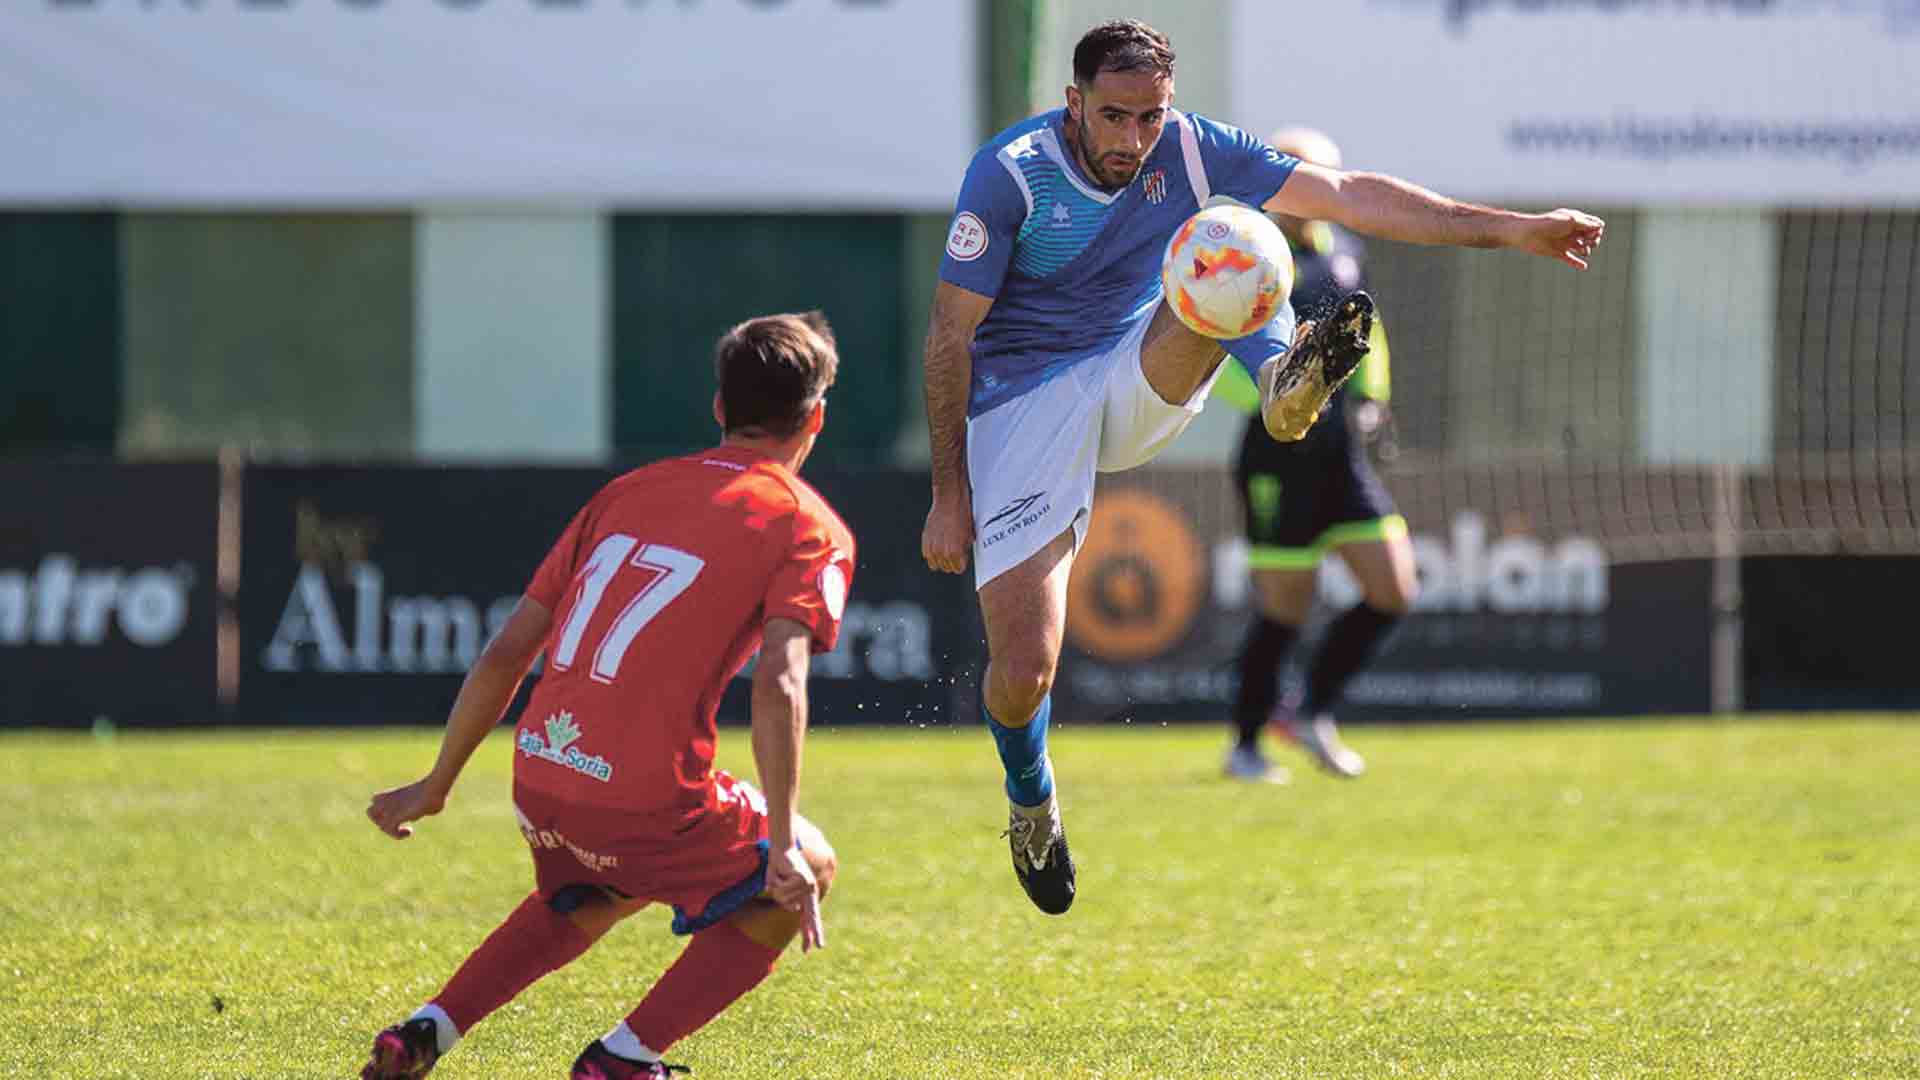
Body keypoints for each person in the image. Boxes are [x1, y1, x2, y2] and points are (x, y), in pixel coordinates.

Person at [919, 19, 1604, 915]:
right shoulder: (1008, 173)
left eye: (1150, 118)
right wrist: (948, 492)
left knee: (1240, 229)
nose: (1134, 139)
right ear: (1073, 103)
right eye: (1115, 117)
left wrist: (1516, 230)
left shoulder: (1195, 149)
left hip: (1138, 369)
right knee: (1022, 675)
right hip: (1019, 410)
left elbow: (1353, 194)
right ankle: (1031, 800)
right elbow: (949, 337)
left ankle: (1284, 377)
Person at [358, 312, 855, 1080]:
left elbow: (506, 652)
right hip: (643, 796)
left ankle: (425, 1032)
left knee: (595, 891)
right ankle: (626, 1060)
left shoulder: (626, 492)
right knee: (806, 869)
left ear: (718, 408)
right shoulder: (806, 525)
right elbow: (782, 681)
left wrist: (438, 782)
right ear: (816, 418)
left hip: (546, 772)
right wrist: (784, 837)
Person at [1216, 127, 1415, 785]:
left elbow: (1369, 336)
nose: (1316, 194)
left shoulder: (1344, 253)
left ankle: (1311, 711)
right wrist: (1279, 397)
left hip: (1340, 452)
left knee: (1393, 588)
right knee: (1284, 608)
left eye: (1327, 179)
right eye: (1303, 178)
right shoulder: (1247, 257)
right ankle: (1245, 743)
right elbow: (1220, 354)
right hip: (1277, 450)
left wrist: (1371, 400)